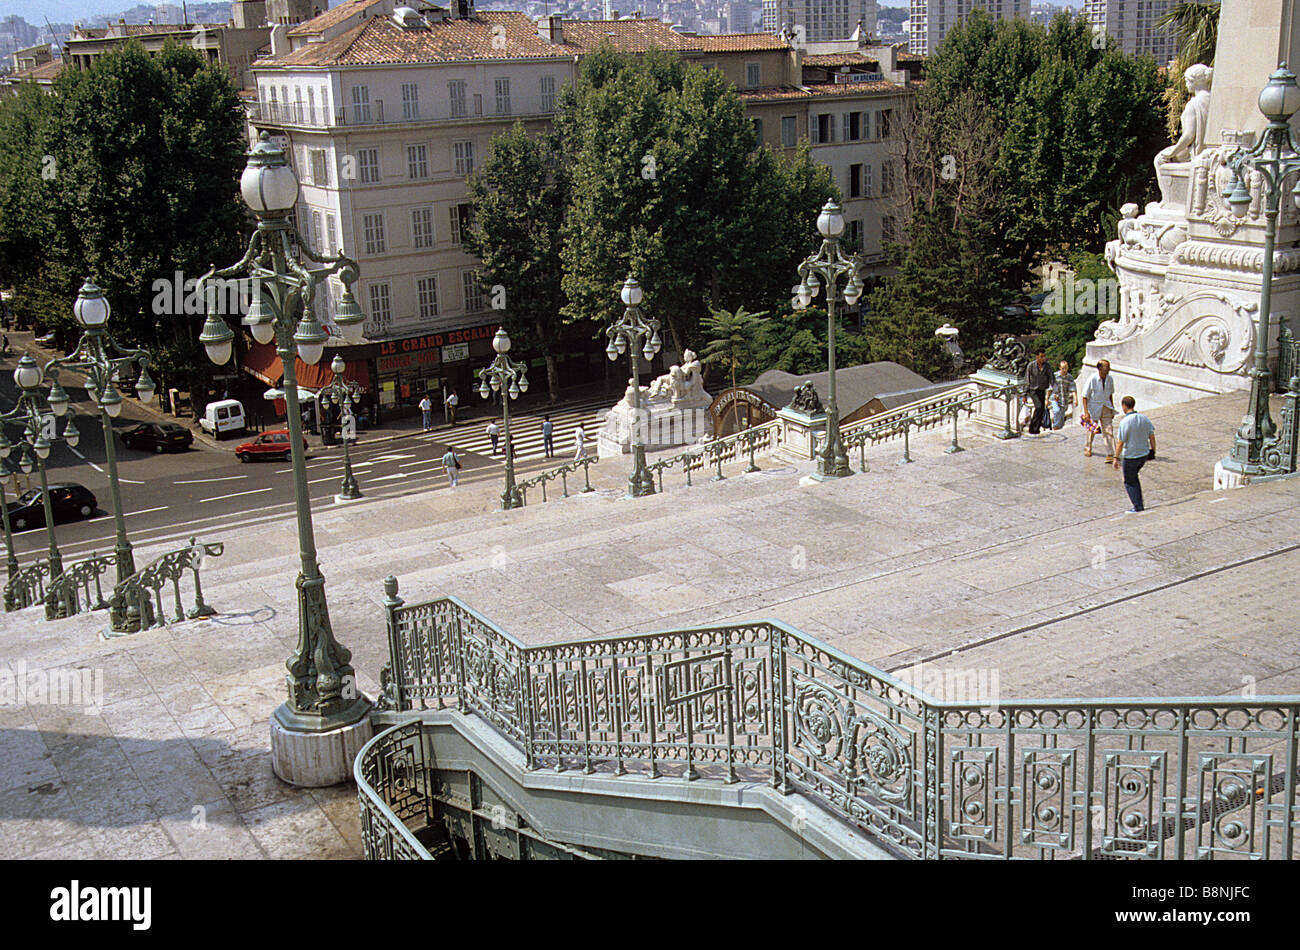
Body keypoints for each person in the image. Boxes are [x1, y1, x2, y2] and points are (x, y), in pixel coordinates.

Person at [1114, 395, 1156, 513]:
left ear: (1123, 406)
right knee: (1134, 478)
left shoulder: (1125, 422)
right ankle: (1139, 503)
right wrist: (1153, 451)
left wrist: (1116, 457)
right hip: (1143, 454)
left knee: (1129, 481)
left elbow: (1120, 442)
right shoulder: (1144, 418)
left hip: (1130, 456)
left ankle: (1137, 506)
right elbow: (1152, 436)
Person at [1079, 359, 1117, 460]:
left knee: (1108, 430)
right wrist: (1086, 412)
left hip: (1106, 407)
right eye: (1106, 367)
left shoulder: (1110, 379)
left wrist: (1112, 408)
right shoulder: (1092, 379)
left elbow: (1110, 394)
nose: (1109, 369)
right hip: (1094, 407)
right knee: (1091, 430)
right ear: (1100, 368)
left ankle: (1111, 453)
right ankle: (1088, 447)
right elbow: (1084, 396)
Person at [1025, 348, 1052, 435]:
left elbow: (1052, 378)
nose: (1043, 358)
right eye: (1041, 357)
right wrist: (1025, 394)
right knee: (1039, 407)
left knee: (1041, 409)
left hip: (1042, 389)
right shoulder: (1031, 366)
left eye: (1044, 356)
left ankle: (1036, 429)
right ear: (1037, 357)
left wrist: (1055, 391)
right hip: (1033, 390)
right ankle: (1032, 427)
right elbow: (1027, 380)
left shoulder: (1047, 366)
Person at [1052, 360, 1076, 431]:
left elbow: (1073, 388)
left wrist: (1076, 399)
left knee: (1062, 415)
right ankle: (1055, 427)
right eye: (1063, 368)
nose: (1064, 370)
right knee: (1056, 411)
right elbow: (1050, 387)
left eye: (1066, 368)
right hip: (1055, 398)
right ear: (1060, 368)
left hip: (1064, 399)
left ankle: (1059, 428)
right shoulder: (1055, 376)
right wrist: (1047, 399)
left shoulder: (1070, 377)